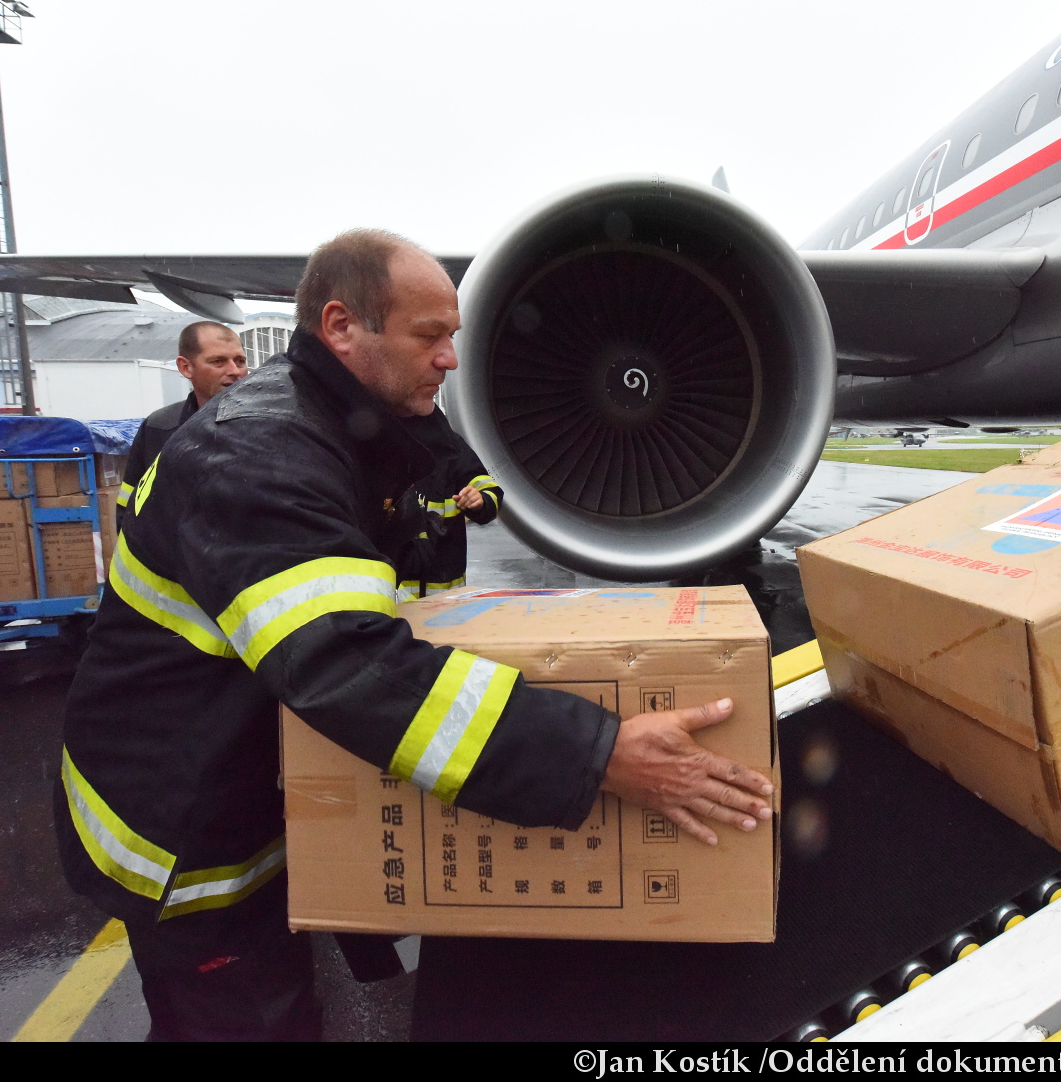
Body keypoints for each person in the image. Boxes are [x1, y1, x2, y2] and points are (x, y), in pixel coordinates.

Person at [54, 229, 773, 1041]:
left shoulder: (373, 423)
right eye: (430, 336)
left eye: (453, 337)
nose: (452, 360)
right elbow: (350, 666)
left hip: (244, 782)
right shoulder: (257, 456)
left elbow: (447, 498)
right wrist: (599, 752)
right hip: (177, 840)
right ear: (341, 327)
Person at [119, 321, 248, 510]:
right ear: (186, 367)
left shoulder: (271, 426)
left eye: (240, 361)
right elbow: (130, 506)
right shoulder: (159, 428)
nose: (234, 371)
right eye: (218, 361)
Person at [399, 405, 499, 600]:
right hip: (394, 595)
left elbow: (490, 491)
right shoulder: (377, 448)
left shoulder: (449, 447)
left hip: (444, 596)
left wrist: (480, 500)